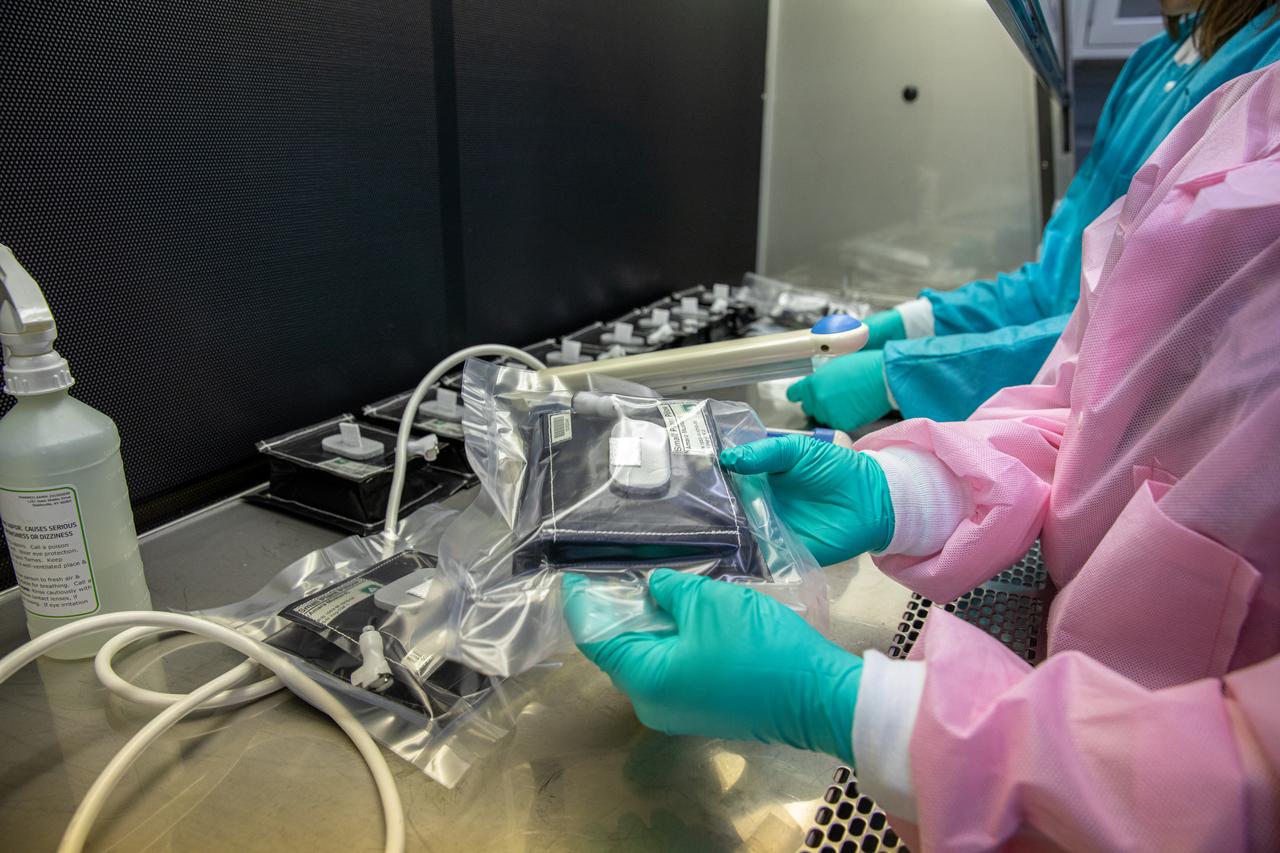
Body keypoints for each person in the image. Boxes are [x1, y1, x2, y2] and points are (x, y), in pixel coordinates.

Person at [563, 62, 1280, 849]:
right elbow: (1091, 398)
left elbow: (1242, 781)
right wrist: (905, 489)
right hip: (1062, 688)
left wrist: (852, 707)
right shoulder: (1246, 107)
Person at [785, 0, 1280, 431]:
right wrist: (918, 322)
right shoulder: (1152, 63)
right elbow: (1056, 286)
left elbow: (1157, 333)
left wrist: (903, 374)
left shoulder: (1265, 71)